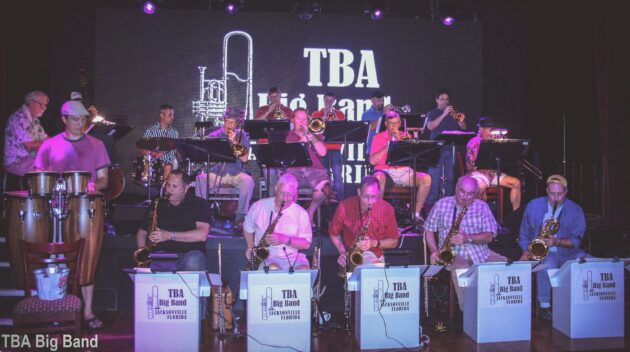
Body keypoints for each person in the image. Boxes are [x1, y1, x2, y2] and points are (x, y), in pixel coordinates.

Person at [33, 100, 111, 329]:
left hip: (86, 207)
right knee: (57, 259)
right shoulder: (49, 145)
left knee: (87, 258)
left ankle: (87, 311)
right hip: (54, 208)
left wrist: (92, 187)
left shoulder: (97, 144)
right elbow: (39, 175)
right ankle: (56, 306)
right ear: (64, 119)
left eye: (82, 119)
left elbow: (104, 179)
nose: (79, 124)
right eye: (74, 119)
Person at [424, 176, 507, 311]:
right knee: (462, 268)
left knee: (507, 266)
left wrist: (468, 238)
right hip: (453, 254)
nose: (465, 198)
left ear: (476, 194)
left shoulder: (482, 207)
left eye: (470, 194)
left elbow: (489, 236)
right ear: (456, 188)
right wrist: (434, 250)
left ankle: (498, 307)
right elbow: (428, 229)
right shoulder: (442, 204)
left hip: (481, 253)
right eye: (462, 192)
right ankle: (469, 310)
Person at [136, 170, 211, 317]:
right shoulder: (157, 204)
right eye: (168, 185)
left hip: (190, 253)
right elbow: (141, 232)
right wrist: (142, 252)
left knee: (194, 261)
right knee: (153, 265)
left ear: (186, 187)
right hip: (162, 254)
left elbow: (202, 235)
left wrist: (168, 235)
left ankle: (194, 315)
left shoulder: (199, 204)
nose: (169, 190)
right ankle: (157, 314)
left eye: (174, 187)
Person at [518, 174, 587, 320]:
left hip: (568, 252)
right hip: (545, 253)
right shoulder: (533, 205)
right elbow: (524, 232)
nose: (555, 198)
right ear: (546, 191)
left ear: (566, 192)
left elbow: (576, 241)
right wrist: (526, 250)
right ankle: (545, 306)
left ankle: (579, 303)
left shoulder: (576, 210)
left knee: (583, 262)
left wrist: (557, 242)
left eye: (559, 194)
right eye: (552, 193)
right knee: (547, 265)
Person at [195, 108, 255, 228]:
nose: (229, 125)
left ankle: (240, 218)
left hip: (235, 174)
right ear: (224, 120)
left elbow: (245, 159)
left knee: (248, 181)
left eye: (232, 123)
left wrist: (234, 143)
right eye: (227, 122)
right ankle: (202, 216)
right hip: (215, 173)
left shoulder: (242, 136)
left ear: (237, 123)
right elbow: (206, 158)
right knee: (200, 178)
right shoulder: (213, 136)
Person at [369, 111, 431, 221]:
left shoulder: (406, 136)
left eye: (397, 123)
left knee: (426, 179)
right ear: (386, 124)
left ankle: (416, 214)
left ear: (400, 123)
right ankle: (376, 213)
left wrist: (405, 142)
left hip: (404, 172)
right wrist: (389, 146)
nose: (394, 126)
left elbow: (413, 158)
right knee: (378, 177)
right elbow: (373, 161)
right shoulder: (378, 137)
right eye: (391, 123)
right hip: (385, 172)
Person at [243, 173, 312, 271]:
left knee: (304, 270)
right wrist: (250, 246)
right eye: (282, 193)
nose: (285, 198)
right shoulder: (258, 206)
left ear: (295, 194)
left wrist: (285, 239)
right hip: (267, 257)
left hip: (293, 257)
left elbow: (306, 244)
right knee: (273, 268)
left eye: (289, 195)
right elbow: (247, 228)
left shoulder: (301, 213)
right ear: (276, 188)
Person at [329, 175, 399, 268]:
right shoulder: (344, 206)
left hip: (376, 256)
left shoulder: (387, 209)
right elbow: (334, 233)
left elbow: (394, 242)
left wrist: (373, 243)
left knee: (375, 268)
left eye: (374, 197)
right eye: (366, 197)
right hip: (352, 255)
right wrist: (342, 252)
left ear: (379, 194)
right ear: (359, 192)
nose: (370, 201)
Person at [285, 108, 330, 223]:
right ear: (292, 120)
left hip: (314, 170)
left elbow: (323, 153)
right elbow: (291, 154)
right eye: (298, 119)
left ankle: (310, 211)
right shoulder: (289, 136)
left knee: (325, 189)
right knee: (288, 190)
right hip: (294, 171)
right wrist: (302, 140)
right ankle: (292, 219)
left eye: (304, 119)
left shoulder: (315, 133)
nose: (302, 122)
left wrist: (312, 138)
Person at [466, 116, 521, 210]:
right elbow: (474, 165)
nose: (491, 132)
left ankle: (515, 215)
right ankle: (481, 214)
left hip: (493, 174)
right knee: (481, 187)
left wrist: (504, 141)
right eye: (489, 129)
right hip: (478, 173)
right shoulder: (474, 142)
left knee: (516, 183)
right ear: (480, 129)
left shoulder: (493, 140)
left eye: (492, 130)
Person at [425, 88, 467, 205]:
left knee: (449, 180)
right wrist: (443, 114)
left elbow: (463, 127)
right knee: (434, 181)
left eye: (447, 99)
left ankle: (447, 204)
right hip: (436, 151)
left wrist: (460, 119)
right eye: (442, 99)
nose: (445, 102)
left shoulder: (453, 113)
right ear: (436, 100)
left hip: (450, 149)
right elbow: (430, 127)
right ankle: (430, 206)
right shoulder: (432, 113)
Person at [3, 90, 49, 191]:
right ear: (31, 102)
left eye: (46, 105)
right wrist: (50, 145)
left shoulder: (35, 120)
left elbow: (46, 139)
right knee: (47, 168)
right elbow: (29, 145)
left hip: (28, 157)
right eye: (41, 104)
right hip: (16, 160)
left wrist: (61, 142)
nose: (44, 108)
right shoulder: (20, 117)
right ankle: (39, 201)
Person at [311, 91, 346, 200]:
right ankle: (325, 203)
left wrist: (332, 114)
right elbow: (314, 129)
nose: (329, 103)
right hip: (321, 150)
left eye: (331, 101)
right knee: (323, 179)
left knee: (338, 177)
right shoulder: (316, 114)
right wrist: (324, 115)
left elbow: (342, 127)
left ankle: (340, 204)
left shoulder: (339, 114)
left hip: (335, 149)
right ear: (323, 100)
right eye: (327, 100)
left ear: (334, 101)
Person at [141, 104, 179, 177]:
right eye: (170, 115)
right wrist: (154, 154)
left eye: (173, 115)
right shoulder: (151, 131)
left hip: (173, 164)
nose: (173, 117)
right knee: (168, 167)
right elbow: (143, 150)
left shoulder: (175, 132)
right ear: (161, 115)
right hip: (156, 165)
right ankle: (164, 188)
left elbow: (176, 151)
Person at [361, 90, 393, 156]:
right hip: (373, 150)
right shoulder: (366, 114)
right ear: (372, 100)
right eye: (378, 101)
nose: (381, 102)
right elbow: (372, 127)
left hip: (387, 148)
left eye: (382, 100)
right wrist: (383, 114)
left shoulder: (387, 111)